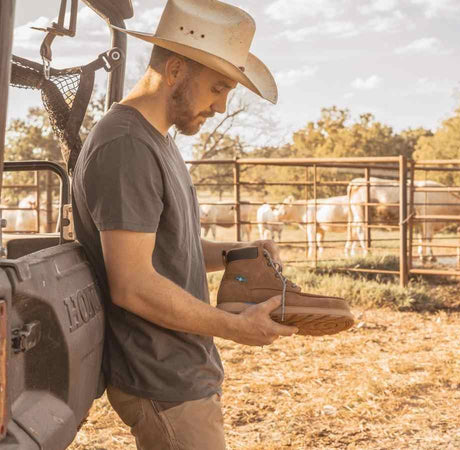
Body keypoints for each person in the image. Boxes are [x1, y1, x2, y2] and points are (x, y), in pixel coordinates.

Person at [71, 1, 294, 448]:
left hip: (181, 369)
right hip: (160, 377)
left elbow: (172, 249)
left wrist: (241, 250)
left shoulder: (157, 140)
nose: (221, 104)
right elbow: (132, 284)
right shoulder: (126, 146)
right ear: (175, 70)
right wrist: (236, 327)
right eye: (217, 87)